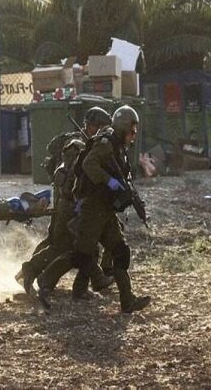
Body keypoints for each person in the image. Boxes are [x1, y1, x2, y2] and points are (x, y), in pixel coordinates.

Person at [21, 107, 113, 297]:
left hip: (71, 202)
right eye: (101, 127)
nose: (105, 132)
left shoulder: (89, 145)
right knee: (69, 244)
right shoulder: (77, 146)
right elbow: (73, 179)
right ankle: (35, 272)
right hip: (70, 203)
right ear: (90, 127)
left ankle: (36, 273)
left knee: (63, 244)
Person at [67, 105, 151, 313]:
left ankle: (127, 300)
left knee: (120, 252)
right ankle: (45, 280)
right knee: (83, 254)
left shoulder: (119, 148)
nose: (133, 136)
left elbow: (125, 177)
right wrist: (109, 181)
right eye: (132, 132)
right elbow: (88, 165)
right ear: (123, 129)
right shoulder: (105, 144)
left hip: (106, 209)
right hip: (93, 207)